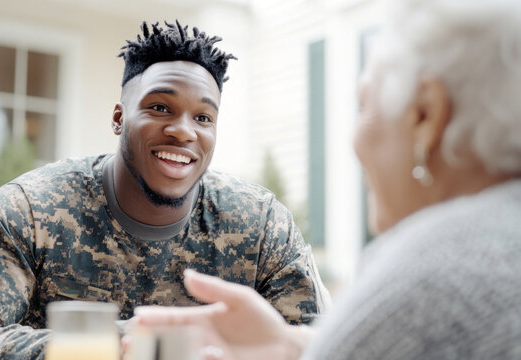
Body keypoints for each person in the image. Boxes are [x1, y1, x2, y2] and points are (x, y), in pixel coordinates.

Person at [0, 21, 329, 358]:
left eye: (203, 118)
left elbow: (324, 344)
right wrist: (101, 346)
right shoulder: (32, 209)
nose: (183, 131)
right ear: (119, 118)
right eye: (160, 107)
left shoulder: (261, 224)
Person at [132, 1, 521, 359]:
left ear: (426, 115)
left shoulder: (432, 278)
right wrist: (292, 345)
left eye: (365, 106)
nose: (355, 143)